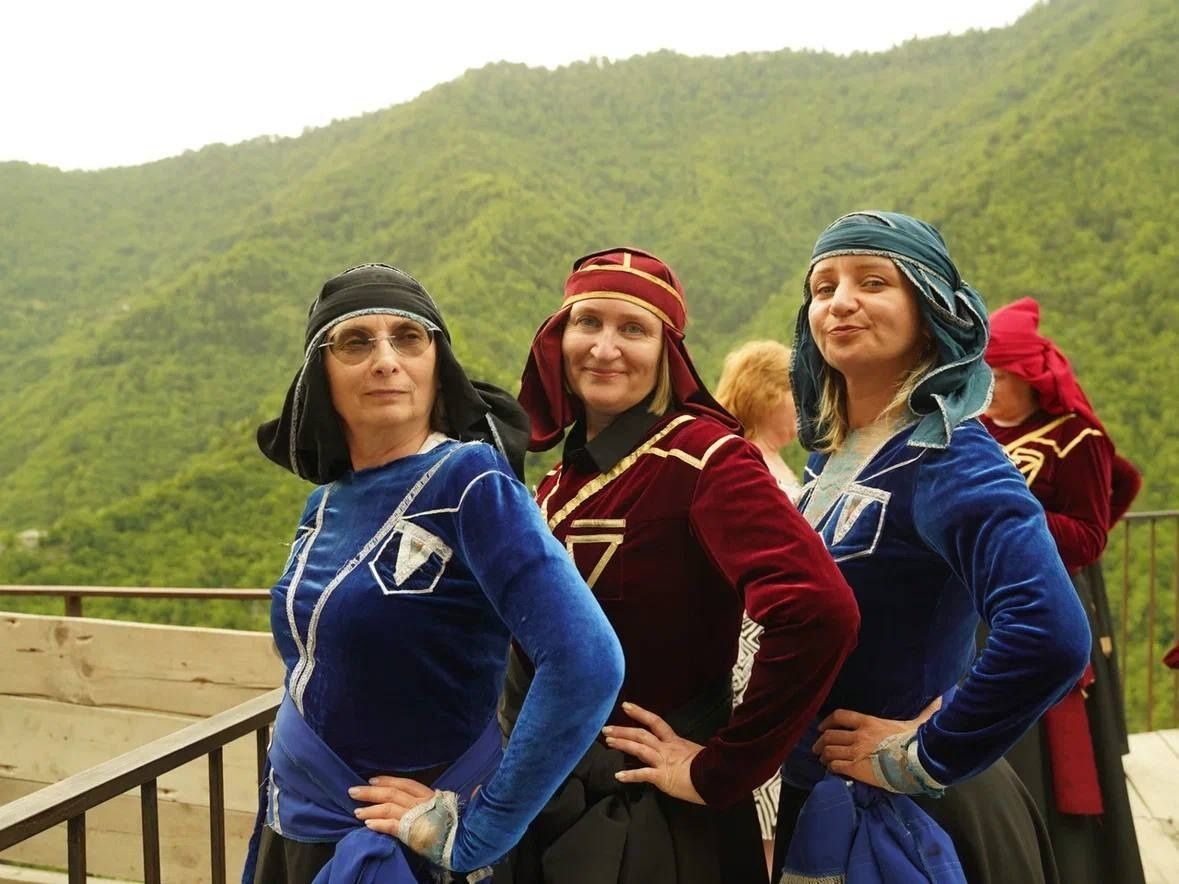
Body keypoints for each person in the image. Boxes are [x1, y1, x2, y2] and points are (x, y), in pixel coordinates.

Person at [245, 263, 625, 883]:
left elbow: (586, 661)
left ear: (436, 365)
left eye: (408, 338)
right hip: (299, 823)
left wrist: (480, 829)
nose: (385, 360)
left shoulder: (470, 482)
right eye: (355, 342)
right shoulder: (325, 503)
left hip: (407, 850)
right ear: (320, 373)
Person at [499, 247, 861, 883]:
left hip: (657, 827)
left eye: (633, 329)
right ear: (558, 339)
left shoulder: (706, 459)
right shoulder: (558, 481)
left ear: (667, 352)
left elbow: (819, 612)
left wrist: (720, 767)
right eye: (588, 323)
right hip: (550, 807)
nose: (605, 348)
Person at [767, 211, 1091, 883]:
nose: (840, 301)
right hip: (827, 804)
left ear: (929, 309)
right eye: (823, 287)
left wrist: (922, 754)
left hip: (906, 827)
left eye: (872, 281)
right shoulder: (832, 455)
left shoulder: (948, 457)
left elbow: (1051, 633)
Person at [982, 296, 1145, 884]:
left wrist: (1011, 514)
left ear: (1029, 376)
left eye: (999, 375)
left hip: (1041, 610)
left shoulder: (1077, 440)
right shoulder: (973, 432)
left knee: (1048, 760)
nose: (988, 387)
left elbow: (1089, 536)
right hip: (975, 615)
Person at [714, 339, 800, 864]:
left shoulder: (774, 462)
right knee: (764, 809)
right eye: (795, 390)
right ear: (768, 393)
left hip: (770, 644)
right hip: (752, 650)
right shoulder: (745, 464)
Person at [716, 340, 802, 499]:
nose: (804, 404)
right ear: (770, 395)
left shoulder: (769, 457)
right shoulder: (741, 462)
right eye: (796, 391)